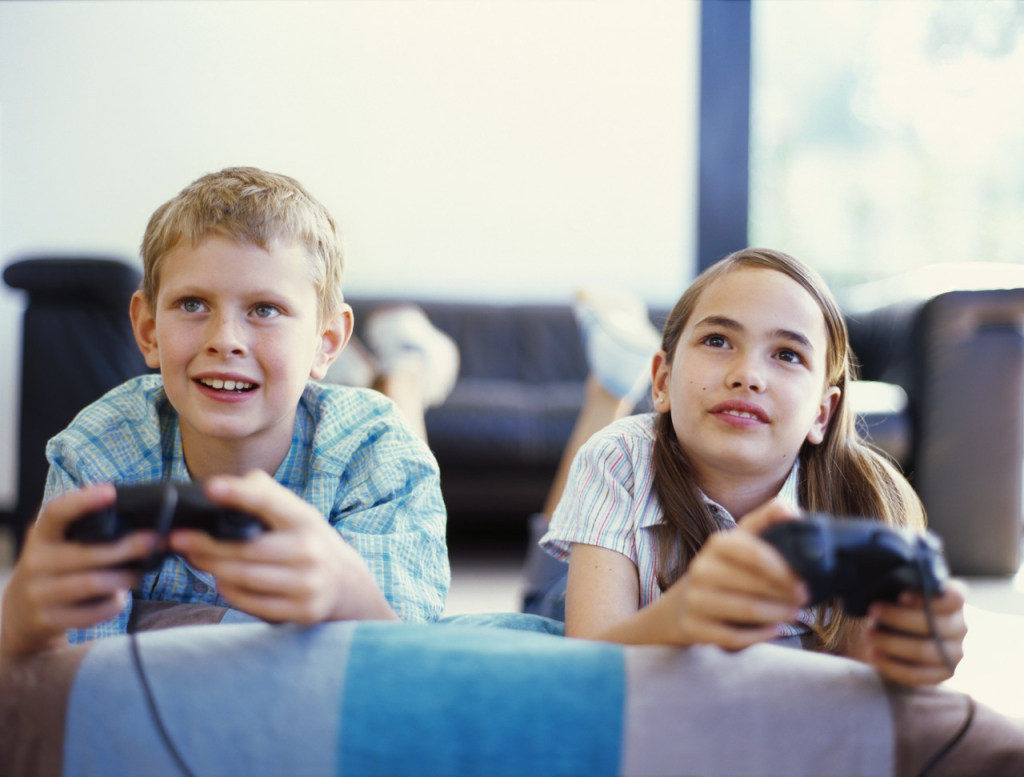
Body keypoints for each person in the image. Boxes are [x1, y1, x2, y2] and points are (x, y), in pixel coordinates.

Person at [0, 167, 450, 659]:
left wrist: (347, 592)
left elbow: (403, 663)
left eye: (264, 309)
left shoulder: (377, 447)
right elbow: (68, 674)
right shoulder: (95, 451)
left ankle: (406, 363)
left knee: (396, 409)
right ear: (148, 330)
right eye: (193, 304)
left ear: (326, 343)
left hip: (345, 412)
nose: (224, 340)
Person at [531, 248, 968, 687]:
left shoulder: (872, 499)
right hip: (591, 593)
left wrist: (913, 655)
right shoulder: (619, 459)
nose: (748, 375)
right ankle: (608, 393)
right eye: (718, 340)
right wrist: (680, 617)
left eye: (787, 354)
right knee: (538, 606)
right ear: (662, 382)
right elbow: (587, 670)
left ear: (822, 413)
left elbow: (862, 689)